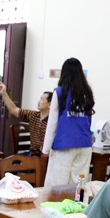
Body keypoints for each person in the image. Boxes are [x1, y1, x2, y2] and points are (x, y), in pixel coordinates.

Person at [41, 57, 95, 186]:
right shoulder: (87, 93)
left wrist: (45, 149)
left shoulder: (60, 92)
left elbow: (52, 122)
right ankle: (77, 205)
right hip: (84, 144)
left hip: (64, 144)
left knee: (57, 184)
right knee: (79, 184)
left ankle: (55, 206)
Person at [0, 82, 52, 156]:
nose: (39, 101)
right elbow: (13, 110)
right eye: (40, 98)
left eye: (42, 99)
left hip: (46, 157)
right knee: (11, 162)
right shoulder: (33, 115)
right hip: (32, 154)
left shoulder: (53, 121)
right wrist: (4, 93)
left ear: (49, 105)